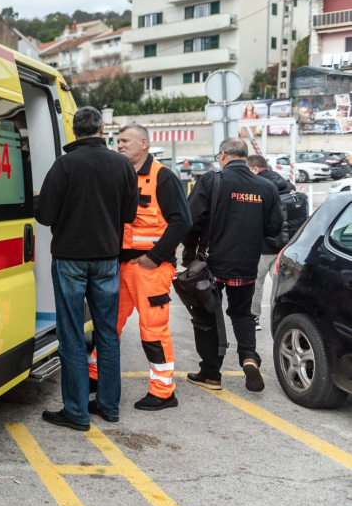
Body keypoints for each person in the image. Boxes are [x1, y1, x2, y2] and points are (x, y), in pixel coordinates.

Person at [35, 107, 138, 430]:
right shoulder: (122, 165)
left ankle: (76, 412)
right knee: (108, 333)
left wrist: (41, 200)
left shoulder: (64, 165)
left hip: (70, 260)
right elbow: (130, 214)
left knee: (71, 335)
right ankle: (108, 407)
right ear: (101, 129)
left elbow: (46, 216)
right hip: (107, 259)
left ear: (74, 132)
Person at [89, 125, 191, 411]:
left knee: (153, 330)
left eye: (124, 141)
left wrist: (154, 257)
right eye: (116, 140)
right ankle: (95, 375)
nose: (118, 145)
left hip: (150, 268)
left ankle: (163, 391)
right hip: (119, 265)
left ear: (144, 143)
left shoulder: (163, 177)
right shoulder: (120, 174)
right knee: (108, 325)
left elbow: (182, 222)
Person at [182, 139, 283, 392]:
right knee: (242, 314)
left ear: (224, 155)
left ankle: (211, 374)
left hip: (210, 265)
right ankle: (249, 357)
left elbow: (190, 221)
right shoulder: (266, 186)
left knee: (206, 316)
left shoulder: (210, 180)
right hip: (246, 263)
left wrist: (188, 255)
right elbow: (274, 228)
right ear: (245, 157)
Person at [246, 154, 294, 329]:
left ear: (255, 169)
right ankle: (280, 318)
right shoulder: (289, 185)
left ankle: (254, 318)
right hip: (285, 247)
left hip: (262, 247)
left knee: (256, 285)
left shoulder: (257, 187)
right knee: (280, 286)